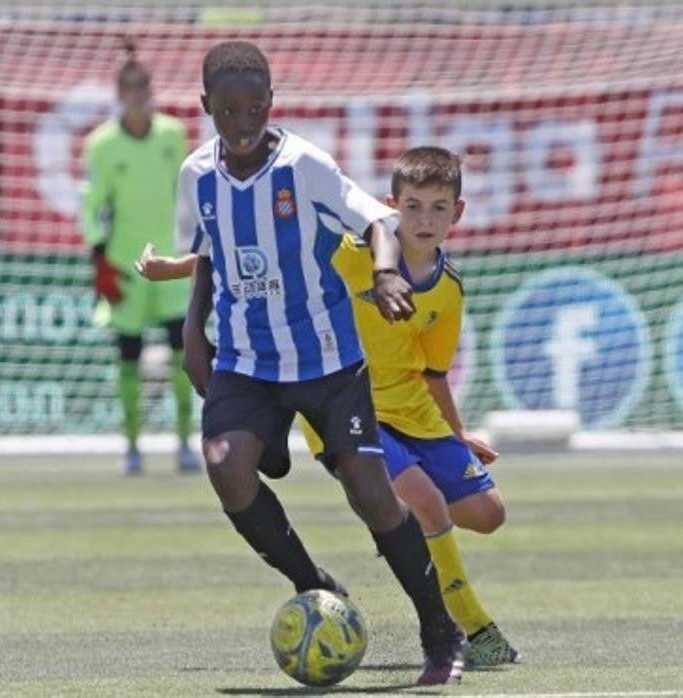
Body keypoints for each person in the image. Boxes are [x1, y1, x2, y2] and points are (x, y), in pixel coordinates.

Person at [138, 146, 521, 668]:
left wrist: (457, 436)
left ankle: (398, 530)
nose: (423, 220)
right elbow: (263, 255)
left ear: (457, 213)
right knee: (427, 501)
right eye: (412, 206)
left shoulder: (449, 289)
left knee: (488, 513)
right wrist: (178, 269)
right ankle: (473, 630)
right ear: (391, 207)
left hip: (414, 414)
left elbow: (434, 376)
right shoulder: (353, 252)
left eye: (437, 207)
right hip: (346, 400)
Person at [173, 41, 465, 685]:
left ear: (271, 103)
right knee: (226, 467)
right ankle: (315, 585)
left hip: (330, 365)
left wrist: (386, 273)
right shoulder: (196, 175)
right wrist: (194, 338)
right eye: (228, 111)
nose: (244, 122)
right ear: (206, 109)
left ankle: (440, 632)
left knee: (370, 494)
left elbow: (378, 222)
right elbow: (204, 260)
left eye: (255, 108)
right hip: (247, 362)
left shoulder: (304, 165)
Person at [79, 40, 198, 476]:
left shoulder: (172, 134)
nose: (136, 91)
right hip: (126, 266)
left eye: (142, 83)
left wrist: (195, 247)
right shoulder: (101, 144)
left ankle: (186, 443)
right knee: (127, 354)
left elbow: (186, 195)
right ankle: (131, 447)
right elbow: (93, 205)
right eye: (128, 84)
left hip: (171, 263)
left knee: (184, 354)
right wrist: (99, 258)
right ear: (117, 90)